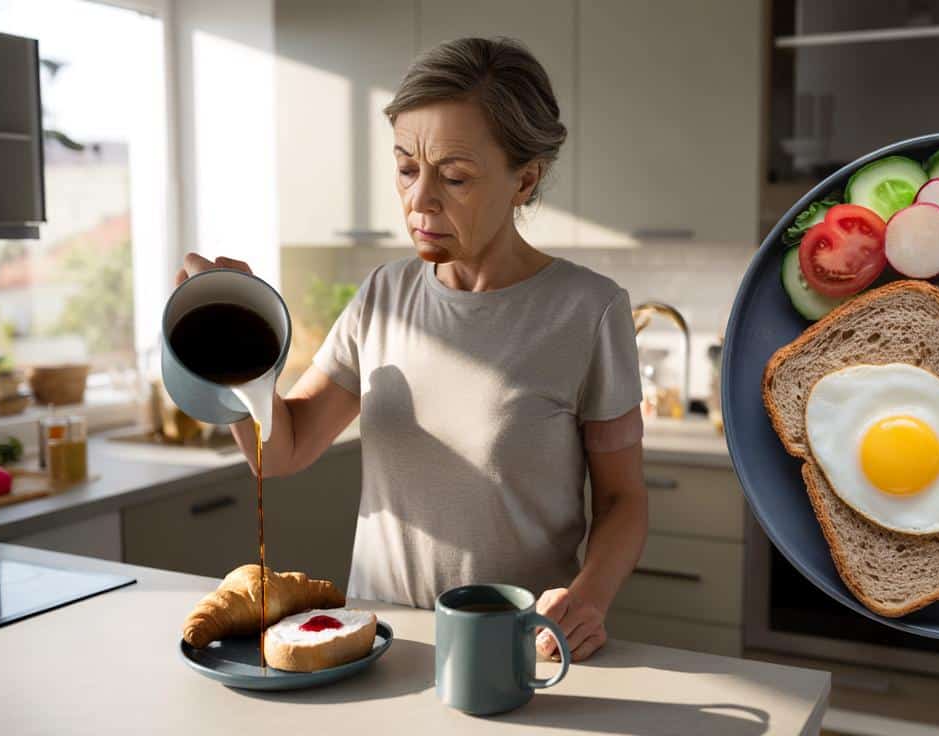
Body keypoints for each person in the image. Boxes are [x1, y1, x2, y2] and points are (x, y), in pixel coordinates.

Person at [174, 37, 647, 662]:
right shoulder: (383, 295)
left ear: (524, 179)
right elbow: (280, 451)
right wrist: (236, 349)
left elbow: (623, 500)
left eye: (454, 176)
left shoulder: (589, 311)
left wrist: (589, 597)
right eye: (405, 167)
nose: (420, 199)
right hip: (375, 644)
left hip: (514, 652)